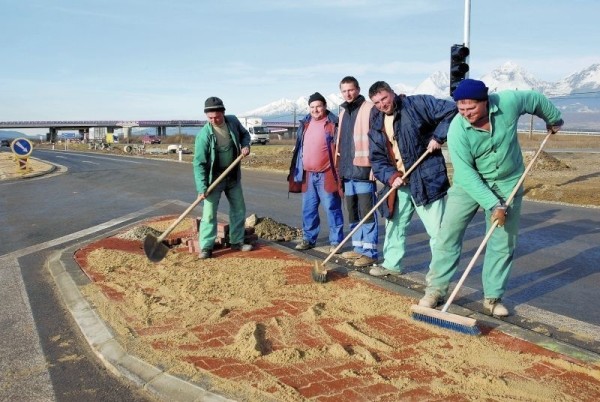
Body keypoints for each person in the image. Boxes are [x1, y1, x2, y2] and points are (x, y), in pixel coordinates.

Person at [419, 79, 563, 317]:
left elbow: (534, 99)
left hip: (509, 182)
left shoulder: (508, 101)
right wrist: (493, 204)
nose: (466, 114)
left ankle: (493, 298)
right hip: (470, 184)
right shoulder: (457, 129)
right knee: (448, 235)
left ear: (485, 102)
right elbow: (465, 174)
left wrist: (553, 118)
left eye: (471, 109)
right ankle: (434, 291)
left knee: (503, 241)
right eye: (461, 109)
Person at [368, 81, 457, 277]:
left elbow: (452, 111)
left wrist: (438, 137)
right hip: (399, 182)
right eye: (377, 102)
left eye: (384, 98)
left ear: (393, 93)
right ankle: (391, 264)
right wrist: (391, 177)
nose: (382, 104)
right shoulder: (376, 122)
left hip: (426, 178)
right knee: (395, 226)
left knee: (437, 231)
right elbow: (377, 158)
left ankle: (439, 276)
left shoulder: (417, 105)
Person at [193, 96, 252, 259]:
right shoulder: (204, 136)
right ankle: (206, 247)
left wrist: (245, 145)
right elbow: (199, 165)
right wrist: (202, 188)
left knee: (239, 208)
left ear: (223, 113)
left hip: (232, 175)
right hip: (214, 179)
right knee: (209, 213)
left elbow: (244, 135)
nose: (214, 120)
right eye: (210, 117)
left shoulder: (232, 122)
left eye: (217, 116)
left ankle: (237, 241)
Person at [289, 92, 344, 252]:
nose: (315, 109)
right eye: (312, 107)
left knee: (332, 207)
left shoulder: (333, 123)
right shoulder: (305, 123)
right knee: (308, 209)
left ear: (325, 106)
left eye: (318, 106)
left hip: (327, 173)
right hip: (308, 174)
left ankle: (336, 242)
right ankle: (308, 238)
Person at [335, 76, 379, 267]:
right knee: (353, 212)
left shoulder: (369, 108)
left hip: (363, 169)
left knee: (367, 211)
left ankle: (370, 251)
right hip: (347, 171)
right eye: (344, 91)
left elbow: (376, 138)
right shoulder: (343, 111)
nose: (348, 93)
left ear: (358, 89)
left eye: (351, 90)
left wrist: (375, 168)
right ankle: (358, 247)